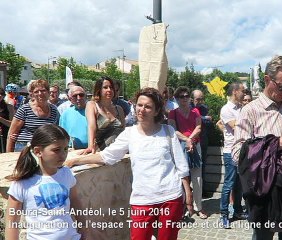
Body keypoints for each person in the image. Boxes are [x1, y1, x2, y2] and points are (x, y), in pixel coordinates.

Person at [65, 88, 192, 240]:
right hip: (142, 199)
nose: (141, 110)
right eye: (139, 105)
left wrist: (188, 196)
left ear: (157, 110)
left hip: (171, 197)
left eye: (148, 106)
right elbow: (107, 156)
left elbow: (181, 166)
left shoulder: (168, 131)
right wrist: (76, 160)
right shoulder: (129, 133)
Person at [232, 55, 282, 240]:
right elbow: (238, 154)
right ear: (268, 80)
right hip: (268, 187)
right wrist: (278, 144)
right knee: (263, 236)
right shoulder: (251, 110)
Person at [5, 124, 84, 239]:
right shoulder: (21, 183)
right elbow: (12, 222)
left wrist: (85, 229)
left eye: (66, 149)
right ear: (38, 151)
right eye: (56, 150)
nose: (63, 155)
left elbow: (76, 202)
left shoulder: (66, 173)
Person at [168, 86, 207, 219]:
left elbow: (199, 127)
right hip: (180, 147)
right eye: (181, 97)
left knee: (197, 178)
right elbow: (173, 130)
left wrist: (190, 140)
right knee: (182, 177)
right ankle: (184, 206)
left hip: (195, 146)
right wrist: (187, 140)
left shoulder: (195, 111)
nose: (184, 99)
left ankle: (198, 207)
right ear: (177, 99)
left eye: (186, 96)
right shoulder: (172, 113)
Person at [219, 81, 247, 228]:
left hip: (242, 151)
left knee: (240, 184)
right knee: (229, 184)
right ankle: (224, 214)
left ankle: (237, 210)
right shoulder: (226, 109)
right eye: (242, 90)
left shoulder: (242, 108)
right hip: (230, 152)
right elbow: (237, 127)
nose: (244, 93)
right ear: (235, 91)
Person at [6, 79, 60, 152]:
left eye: (43, 90)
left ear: (48, 92)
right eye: (36, 91)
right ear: (32, 94)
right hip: (24, 148)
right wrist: (9, 155)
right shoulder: (24, 109)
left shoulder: (54, 110)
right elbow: (11, 135)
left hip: (45, 148)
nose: (40, 93)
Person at [84, 76, 125, 154]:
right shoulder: (92, 105)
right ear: (99, 90)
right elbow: (91, 127)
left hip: (119, 153)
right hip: (100, 152)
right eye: (105, 87)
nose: (109, 90)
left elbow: (123, 131)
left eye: (111, 87)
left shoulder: (119, 109)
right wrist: (90, 146)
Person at [191, 89, 213, 196]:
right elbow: (192, 120)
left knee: (202, 166)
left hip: (203, 140)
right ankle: (191, 192)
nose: (200, 101)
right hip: (191, 141)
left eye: (201, 99)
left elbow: (209, 122)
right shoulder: (189, 108)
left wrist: (202, 119)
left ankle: (202, 190)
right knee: (190, 167)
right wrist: (203, 118)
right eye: (197, 99)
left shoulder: (205, 108)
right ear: (192, 99)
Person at [0, 87, 15, 152]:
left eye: (1, 94)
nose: (0, 95)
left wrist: (1, 119)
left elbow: (12, 124)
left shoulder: (9, 107)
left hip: (5, 136)